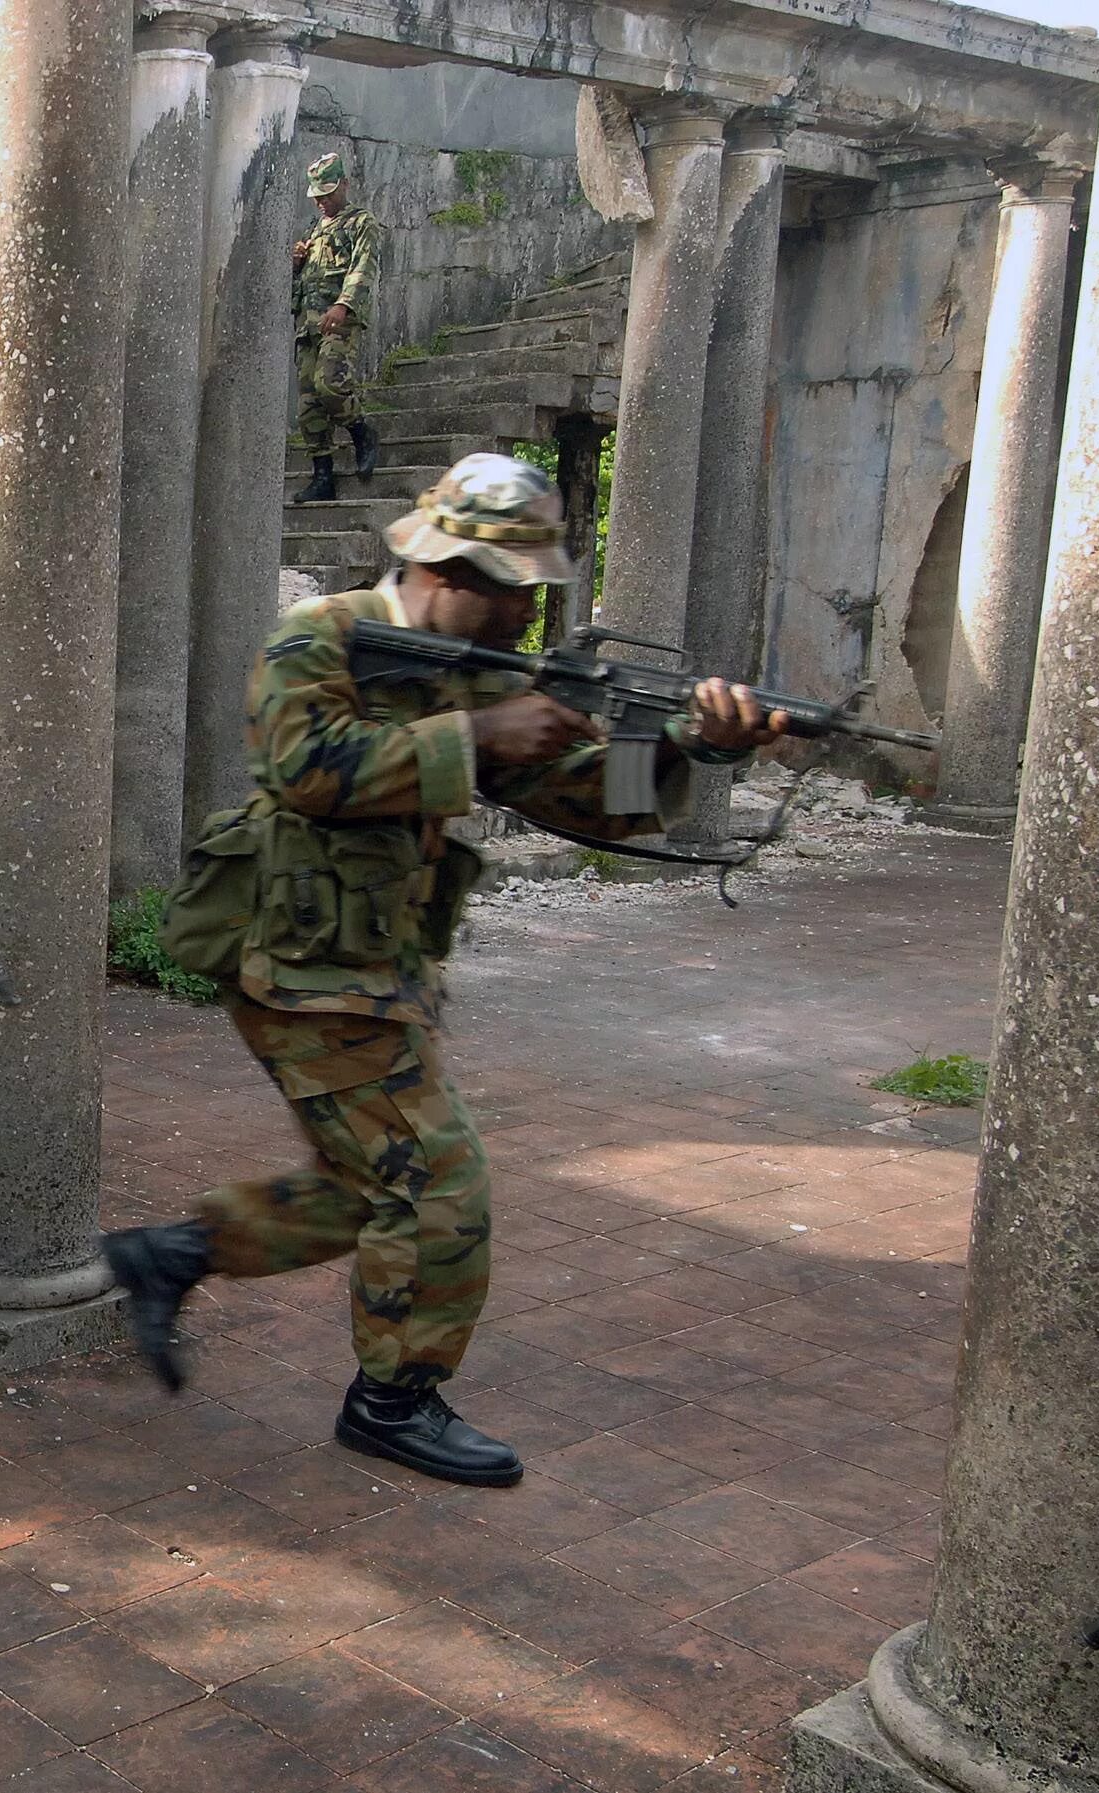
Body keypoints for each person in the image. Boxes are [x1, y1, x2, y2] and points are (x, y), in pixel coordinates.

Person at [104, 453, 791, 1488]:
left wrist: (694, 741)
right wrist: (475, 734)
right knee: (437, 1179)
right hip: (298, 960)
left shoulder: (482, 673)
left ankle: (173, 1255)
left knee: (367, 1182)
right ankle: (394, 1400)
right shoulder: (322, 638)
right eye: (516, 588)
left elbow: (594, 804)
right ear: (457, 573)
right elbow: (302, 767)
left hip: (375, 964)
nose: (529, 608)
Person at [291, 150, 384, 504]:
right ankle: (323, 476)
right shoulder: (313, 231)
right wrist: (296, 264)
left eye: (328, 193)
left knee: (330, 385)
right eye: (317, 195)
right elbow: (303, 282)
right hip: (308, 326)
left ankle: (362, 433)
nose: (322, 201)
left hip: (338, 320)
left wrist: (344, 305)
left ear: (345, 184)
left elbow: (363, 267)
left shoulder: (361, 222)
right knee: (308, 406)